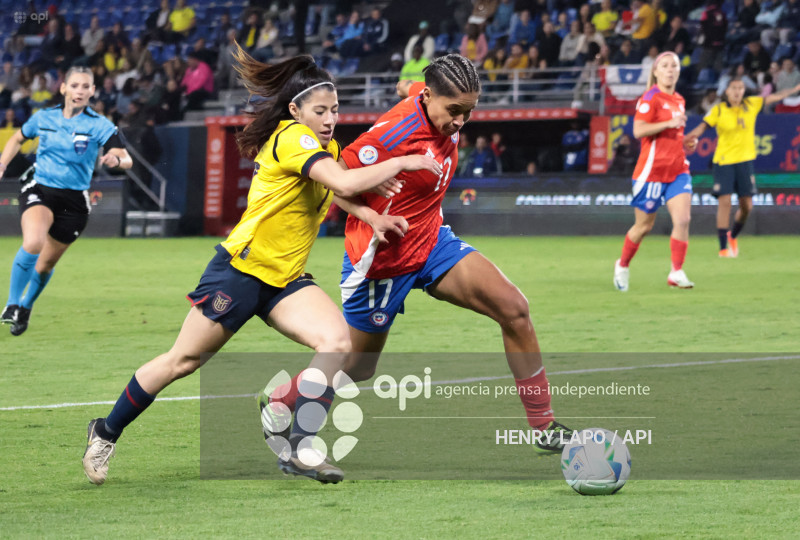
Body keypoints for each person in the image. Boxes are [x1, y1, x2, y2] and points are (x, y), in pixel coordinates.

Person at [80, 48, 441, 486]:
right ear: (295, 109)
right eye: (321, 110)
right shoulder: (293, 138)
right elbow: (345, 181)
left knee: (337, 342)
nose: (330, 119)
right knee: (183, 361)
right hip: (242, 271)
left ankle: (300, 445)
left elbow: (339, 191)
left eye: (335, 110)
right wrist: (402, 159)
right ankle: (105, 430)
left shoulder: (325, 146)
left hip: (285, 280)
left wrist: (370, 217)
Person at [267, 54, 574, 460]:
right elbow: (334, 179)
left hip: (431, 242)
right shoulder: (392, 136)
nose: (461, 122)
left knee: (514, 308)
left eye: (468, 112)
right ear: (430, 98)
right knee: (358, 369)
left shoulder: (433, 100)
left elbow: (408, 89)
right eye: (454, 112)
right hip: (380, 261)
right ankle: (282, 401)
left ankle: (545, 426)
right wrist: (372, 214)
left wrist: (406, 88)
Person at [0, 66, 133, 335]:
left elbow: (126, 159)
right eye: (75, 86)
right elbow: (17, 138)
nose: (80, 91)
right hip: (41, 187)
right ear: (63, 89)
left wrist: (115, 159)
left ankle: (25, 306)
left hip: (74, 203)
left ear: (93, 91)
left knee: (46, 264)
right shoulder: (44, 117)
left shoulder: (100, 125)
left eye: (85, 86)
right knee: (34, 242)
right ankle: (12, 304)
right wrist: (2, 163)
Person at [684, 78, 800, 257]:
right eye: (733, 88)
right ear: (727, 91)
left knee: (746, 206)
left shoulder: (751, 104)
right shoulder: (719, 109)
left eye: (740, 88)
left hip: (745, 161)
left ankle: (733, 236)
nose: (737, 91)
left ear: (744, 90)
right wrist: (691, 136)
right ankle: (723, 248)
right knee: (725, 202)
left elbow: (774, 97)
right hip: (723, 161)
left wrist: (794, 89)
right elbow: (702, 126)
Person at [613, 51, 695, 292]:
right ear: (656, 71)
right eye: (666, 66)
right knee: (644, 227)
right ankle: (623, 264)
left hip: (678, 170)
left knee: (683, 219)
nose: (670, 69)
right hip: (651, 173)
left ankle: (676, 272)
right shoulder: (650, 98)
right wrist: (668, 124)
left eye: (674, 66)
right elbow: (638, 131)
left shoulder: (679, 99)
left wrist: (686, 142)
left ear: (679, 71)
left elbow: (672, 137)